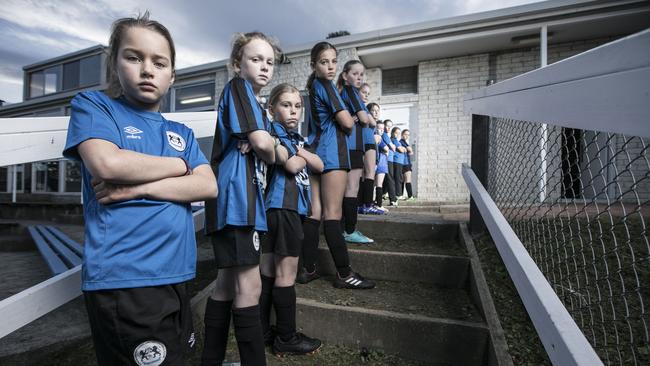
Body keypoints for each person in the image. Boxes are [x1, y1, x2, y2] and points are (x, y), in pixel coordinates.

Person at [62, 12, 217, 366]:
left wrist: (136, 189)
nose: (148, 69)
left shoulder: (181, 131)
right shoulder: (96, 107)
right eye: (134, 57)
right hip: (126, 279)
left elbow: (208, 185)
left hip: (176, 272)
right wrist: (179, 167)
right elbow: (108, 164)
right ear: (114, 65)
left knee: (180, 358)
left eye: (159, 62)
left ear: (172, 75)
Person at [202, 31, 278, 366]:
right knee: (251, 288)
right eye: (255, 59)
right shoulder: (239, 89)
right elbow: (266, 146)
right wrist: (265, 144)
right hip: (238, 202)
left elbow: (265, 143)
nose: (264, 67)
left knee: (226, 285)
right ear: (237, 64)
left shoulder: (255, 103)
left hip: (238, 202)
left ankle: (211, 360)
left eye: (270, 61)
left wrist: (264, 142)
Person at [296, 41, 375, 289]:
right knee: (333, 214)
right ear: (314, 65)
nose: (330, 67)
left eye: (333, 61)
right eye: (323, 62)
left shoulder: (314, 86)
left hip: (316, 152)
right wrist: (348, 117)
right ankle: (344, 274)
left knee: (314, 213)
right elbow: (348, 123)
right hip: (332, 155)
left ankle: (307, 269)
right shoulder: (327, 85)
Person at [259, 83, 324, 356]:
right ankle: (286, 337)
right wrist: (301, 154)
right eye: (286, 105)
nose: (293, 111)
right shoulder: (275, 133)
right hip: (282, 209)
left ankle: (262, 332)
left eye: (298, 106)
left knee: (268, 274)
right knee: (284, 275)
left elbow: (319, 164)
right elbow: (294, 165)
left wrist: (302, 151)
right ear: (272, 109)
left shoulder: (295, 139)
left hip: (277, 211)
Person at [336, 60, 376, 244]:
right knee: (351, 189)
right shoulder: (351, 91)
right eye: (355, 74)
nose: (359, 78)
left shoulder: (347, 92)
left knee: (348, 188)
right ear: (345, 75)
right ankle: (349, 231)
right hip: (351, 146)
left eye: (361, 74)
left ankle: (345, 228)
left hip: (350, 145)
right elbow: (364, 118)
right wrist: (362, 117)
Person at [374, 119, 390, 211]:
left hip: (380, 164)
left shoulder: (379, 137)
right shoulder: (378, 138)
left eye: (382, 129)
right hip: (380, 164)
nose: (381, 130)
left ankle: (376, 204)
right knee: (378, 185)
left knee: (376, 185)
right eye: (379, 128)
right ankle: (379, 205)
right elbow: (386, 149)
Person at [382, 119, 398, 206]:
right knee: (390, 179)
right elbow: (393, 148)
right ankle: (393, 199)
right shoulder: (384, 135)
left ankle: (383, 195)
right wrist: (393, 146)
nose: (388, 128)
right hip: (387, 160)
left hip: (390, 160)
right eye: (387, 126)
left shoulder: (387, 135)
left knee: (387, 178)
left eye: (390, 126)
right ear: (383, 125)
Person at [390, 126, 406, 200]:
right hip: (397, 162)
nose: (398, 135)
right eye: (396, 133)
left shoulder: (396, 141)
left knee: (398, 177)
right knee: (398, 178)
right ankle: (398, 194)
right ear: (393, 133)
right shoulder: (394, 140)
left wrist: (403, 148)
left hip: (399, 162)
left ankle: (396, 193)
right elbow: (402, 150)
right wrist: (403, 148)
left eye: (399, 133)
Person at [400, 129, 415, 200]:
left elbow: (411, 152)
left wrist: (410, 150)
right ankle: (410, 196)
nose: (407, 136)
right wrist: (410, 150)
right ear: (402, 134)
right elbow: (410, 150)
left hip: (405, 163)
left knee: (404, 180)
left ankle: (405, 195)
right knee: (406, 180)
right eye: (405, 134)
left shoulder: (405, 142)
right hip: (405, 164)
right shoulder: (401, 142)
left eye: (408, 135)